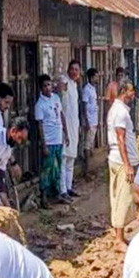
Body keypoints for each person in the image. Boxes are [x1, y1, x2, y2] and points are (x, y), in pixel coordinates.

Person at [108, 81, 139, 252]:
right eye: (131, 91)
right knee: (123, 198)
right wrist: (128, 165)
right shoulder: (120, 112)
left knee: (117, 197)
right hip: (122, 161)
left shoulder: (116, 109)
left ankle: (118, 235)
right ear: (123, 92)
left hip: (116, 159)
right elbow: (121, 139)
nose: (133, 94)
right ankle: (119, 239)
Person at [34, 74, 70, 208]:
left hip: (58, 138)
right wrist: (43, 145)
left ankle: (56, 195)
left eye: (49, 85)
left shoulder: (56, 98)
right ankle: (44, 197)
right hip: (48, 141)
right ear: (41, 88)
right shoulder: (40, 104)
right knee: (46, 170)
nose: (47, 88)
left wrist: (66, 134)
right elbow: (39, 125)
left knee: (58, 168)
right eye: (44, 86)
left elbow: (61, 115)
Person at [60, 61, 82, 198]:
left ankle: (68, 187)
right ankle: (62, 190)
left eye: (76, 70)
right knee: (63, 159)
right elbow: (61, 88)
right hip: (64, 126)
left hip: (74, 125)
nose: (74, 72)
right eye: (72, 69)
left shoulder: (75, 85)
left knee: (71, 159)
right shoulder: (65, 81)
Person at [82, 68, 100, 156]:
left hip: (94, 119)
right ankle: (87, 165)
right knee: (87, 143)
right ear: (92, 77)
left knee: (91, 141)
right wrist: (87, 121)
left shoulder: (93, 89)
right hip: (89, 119)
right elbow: (84, 105)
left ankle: (90, 164)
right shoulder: (87, 89)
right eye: (96, 77)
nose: (97, 78)